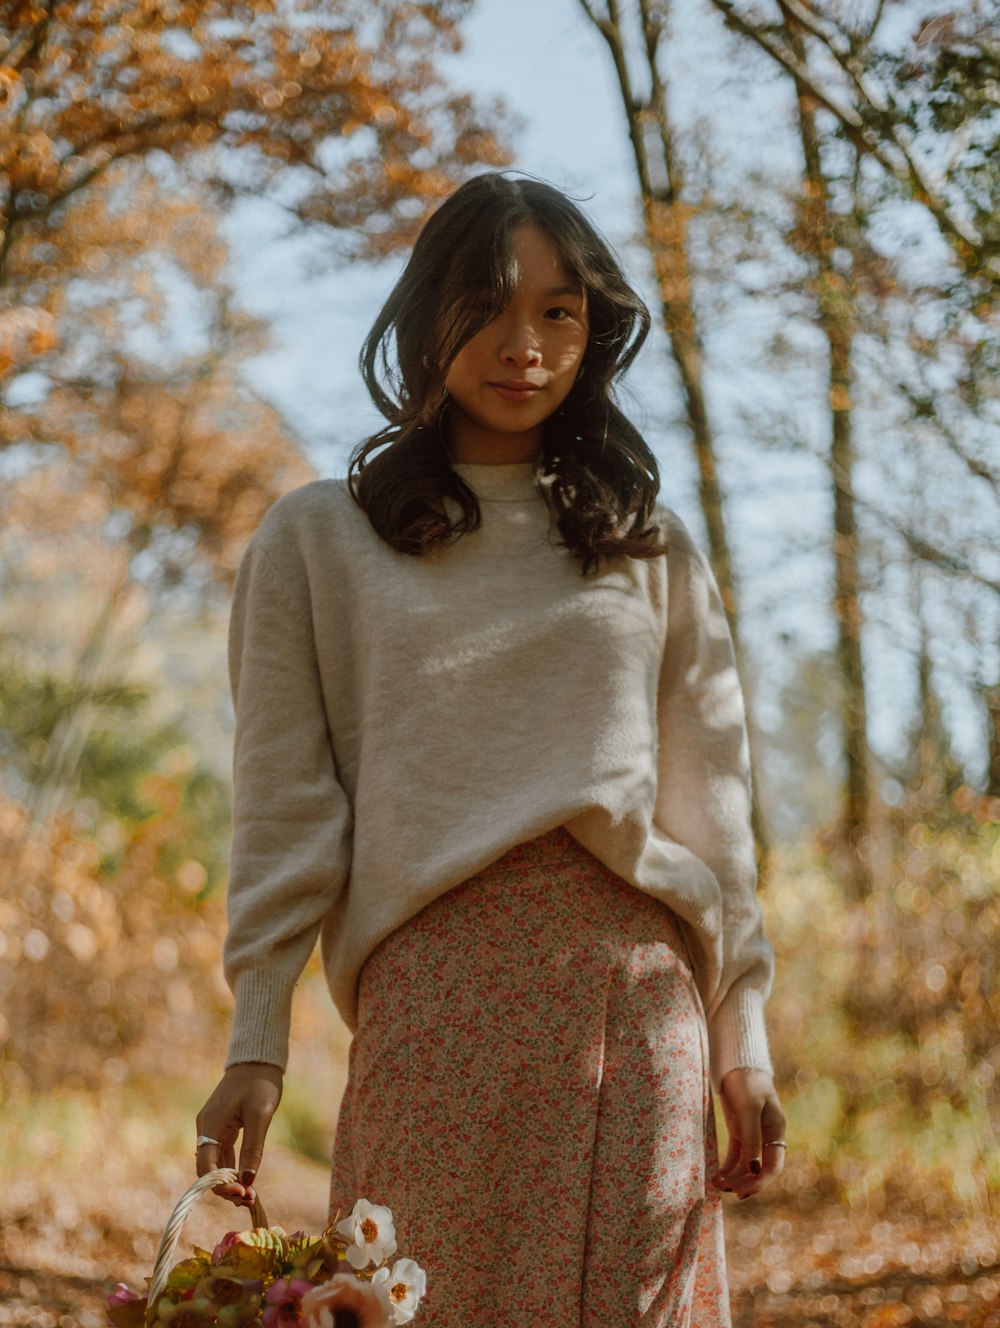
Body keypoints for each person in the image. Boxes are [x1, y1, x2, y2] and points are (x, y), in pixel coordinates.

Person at [195, 172, 786, 1326]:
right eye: (488, 303)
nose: (525, 345)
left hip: (634, 997)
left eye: (559, 311)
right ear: (425, 317)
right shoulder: (318, 536)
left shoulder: (648, 545)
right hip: (434, 1009)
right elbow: (283, 803)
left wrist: (740, 1041)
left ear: (593, 329)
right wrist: (256, 1034)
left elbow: (713, 810)